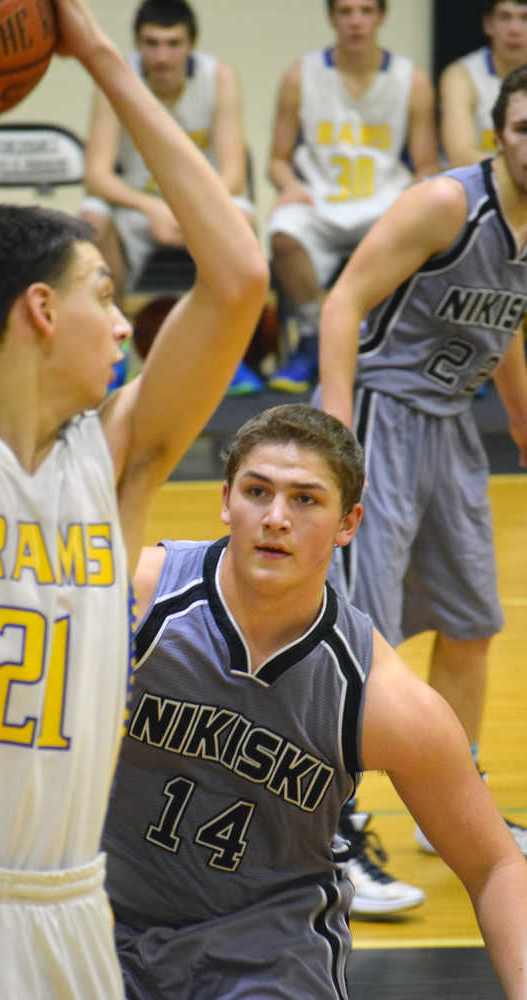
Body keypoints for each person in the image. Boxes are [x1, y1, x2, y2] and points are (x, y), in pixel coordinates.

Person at [0, 0, 268, 995]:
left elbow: (239, 273)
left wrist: (98, 58)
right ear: (39, 308)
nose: (126, 326)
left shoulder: (118, 459)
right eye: (101, 294)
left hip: (73, 906)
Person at [100, 402, 527, 1000]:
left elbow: (497, 866)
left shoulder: (379, 695)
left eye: (305, 499)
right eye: (257, 491)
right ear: (226, 501)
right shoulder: (138, 602)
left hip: (265, 955)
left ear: (348, 523)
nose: (276, 517)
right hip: (99, 925)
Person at [316, 63, 527, 896]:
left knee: (471, 623)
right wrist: (335, 436)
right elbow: (341, 303)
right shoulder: (447, 203)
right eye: (522, 126)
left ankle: (453, 809)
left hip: (450, 427)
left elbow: (507, 321)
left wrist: (519, 419)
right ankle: (331, 830)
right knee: (358, 631)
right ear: (499, 132)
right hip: (379, 412)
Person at [80, 0, 262, 394]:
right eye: (152, 43)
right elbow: (96, 176)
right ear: (137, 43)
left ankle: (230, 356)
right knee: (92, 217)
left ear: (191, 45)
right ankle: (115, 350)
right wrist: (152, 208)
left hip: (199, 205)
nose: (162, 55)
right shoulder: (116, 77)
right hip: (137, 208)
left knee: (243, 216)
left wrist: (187, 211)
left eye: (172, 43)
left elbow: (233, 175)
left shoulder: (220, 77)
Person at [265, 0, 439, 393]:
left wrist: (416, 199)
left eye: (365, 11)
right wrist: (290, 185)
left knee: (419, 231)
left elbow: (426, 165)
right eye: (346, 11)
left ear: (381, 17)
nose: (356, 22)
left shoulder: (411, 80)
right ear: (332, 18)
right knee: (283, 233)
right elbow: (277, 160)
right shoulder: (300, 76)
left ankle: (385, 342)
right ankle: (311, 339)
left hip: (383, 199)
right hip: (318, 200)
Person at [439, 0, 527, 167]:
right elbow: (461, 155)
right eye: (504, 17)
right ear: (488, 24)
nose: (514, 30)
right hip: (477, 183)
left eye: (525, 18)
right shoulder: (461, 75)